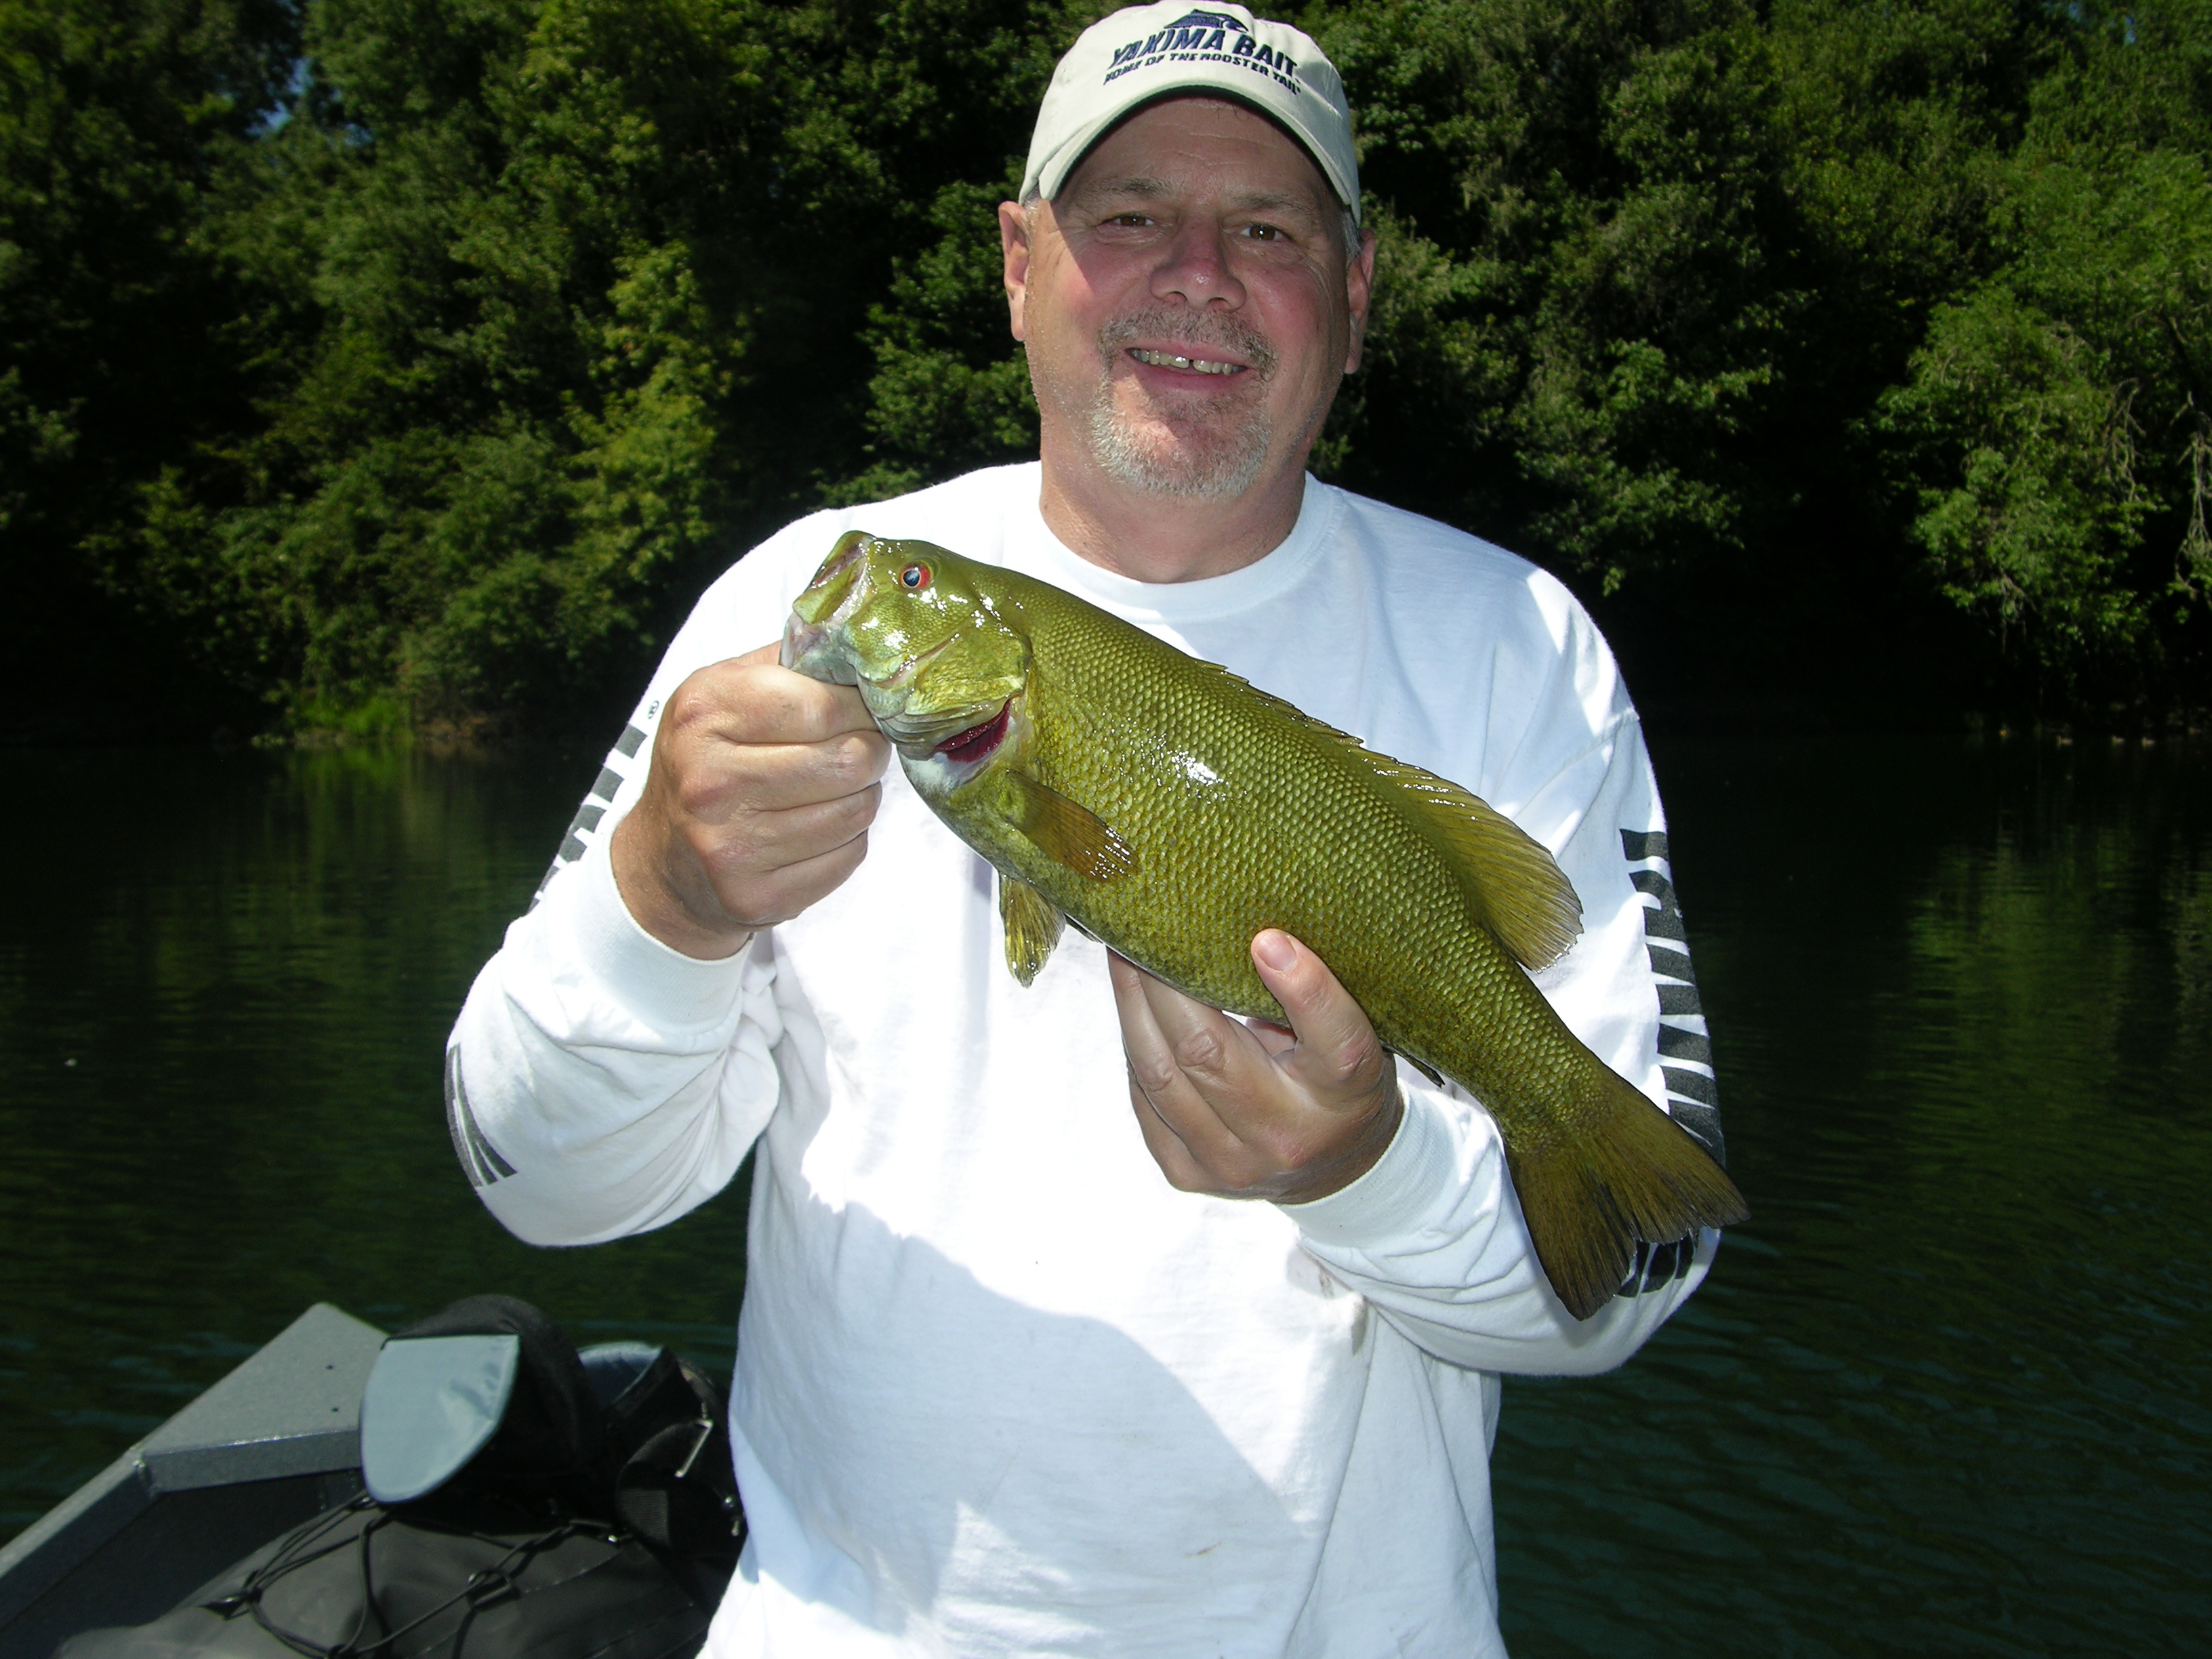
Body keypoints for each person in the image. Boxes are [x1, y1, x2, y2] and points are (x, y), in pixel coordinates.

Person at [446, 5, 1730, 1653]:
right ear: (1018, 262)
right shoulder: (790, 610)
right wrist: (663, 903)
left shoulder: (1517, 646)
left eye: (1267, 229)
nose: (1196, 271)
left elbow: (1625, 1283)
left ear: (1353, 295)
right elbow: (534, 1178)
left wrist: (1369, 1169)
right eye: (1127, 216)